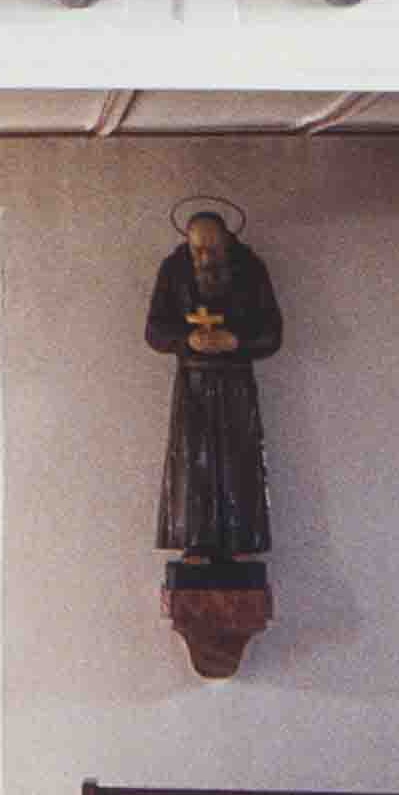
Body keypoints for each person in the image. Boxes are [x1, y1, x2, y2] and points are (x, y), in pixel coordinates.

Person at [145, 208, 283, 564]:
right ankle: (195, 540)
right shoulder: (174, 270)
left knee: (239, 460)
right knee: (193, 463)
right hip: (193, 384)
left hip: (236, 382)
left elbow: (272, 333)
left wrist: (236, 341)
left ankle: (240, 540)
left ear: (227, 242)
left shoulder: (251, 269)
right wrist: (187, 340)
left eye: (213, 249)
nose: (205, 258)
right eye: (198, 251)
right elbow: (155, 331)